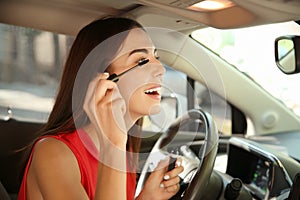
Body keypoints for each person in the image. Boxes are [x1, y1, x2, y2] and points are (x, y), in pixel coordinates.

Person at [18, 17, 184, 200]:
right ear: (102, 81)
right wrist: (113, 144)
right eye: (142, 60)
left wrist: (148, 198)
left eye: (156, 58)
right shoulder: (53, 153)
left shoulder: (122, 149)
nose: (160, 69)